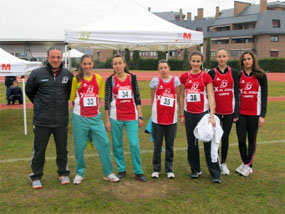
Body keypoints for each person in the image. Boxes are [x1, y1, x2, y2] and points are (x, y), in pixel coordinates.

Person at [25, 47, 74, 189]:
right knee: (39, 150)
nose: (55, 60)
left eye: (58, 57)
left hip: (60, 120)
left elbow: (70, 92)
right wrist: (40, 105)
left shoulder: (68, 74)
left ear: (62, 58)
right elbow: (29, 91)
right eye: (53, 57)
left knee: (62, 149)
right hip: (42, 120)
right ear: (47, 58)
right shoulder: (37, 73)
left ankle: (63, 173)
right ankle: (36, 176)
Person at [70, 54, 119, 184]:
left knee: (104, 143)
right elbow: (72, 100)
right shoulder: (76, 80)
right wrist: (79, 112)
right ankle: (80, 173)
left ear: (93, 64)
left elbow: (100, 98)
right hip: (79, 117)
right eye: (85, 64)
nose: (87, 66)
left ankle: (109, 172)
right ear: (81, 65)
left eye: (89, 64)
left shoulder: (98, 79)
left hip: (95, 117)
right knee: (79, 146)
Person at [179, 51, 221, 183]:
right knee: (192, 143)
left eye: (198, 61)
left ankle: (215, 173)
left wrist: (212, 115)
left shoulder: (206, 77)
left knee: (208, 141)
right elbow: (180, 96)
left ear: (201, 62)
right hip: (189, 113)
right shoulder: (184, 77)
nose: (196, 64)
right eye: (193, 61)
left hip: (203, 114)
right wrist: (181, 114)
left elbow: (211, 96)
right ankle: (195, 169)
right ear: (190, 62)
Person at [105, 54, 146, 182]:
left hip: (131, 116)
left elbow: (137, 98)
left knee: (134, 144)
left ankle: (138, 171)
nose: (118, 66)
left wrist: (140, 116)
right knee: (117, 145)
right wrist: (107, 120)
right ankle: (121, 169)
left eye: (120, 63)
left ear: (124, 64)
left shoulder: (132, 78)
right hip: (115, 116)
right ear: (113, 66)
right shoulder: (110, 80)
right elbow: (107, 101)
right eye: (115, 64)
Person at [235, 51, 268, 177]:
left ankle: (249, 165)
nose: (246, 61)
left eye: (249, 58)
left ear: (253, 60)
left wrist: (262, 115)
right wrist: (236, 113)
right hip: (241, 114)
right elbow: (236, 96)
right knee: (241, 140)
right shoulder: (239, 75)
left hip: (255, 114)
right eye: (244, 59)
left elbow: (264, 96)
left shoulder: (261, 76)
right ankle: (244, 162)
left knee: (251, 140)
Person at [208, 48, 240, 175]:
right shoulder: (211, 73)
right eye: (219, 56)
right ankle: (215, 161)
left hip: (228, 112)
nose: (221, 59)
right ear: (216, 58)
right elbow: (208, 93)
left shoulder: (234, 73)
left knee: (225, 138)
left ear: (228, 57)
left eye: (224, 56)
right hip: (215, 112)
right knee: (215, 137)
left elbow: (237, 94)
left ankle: (223, 163)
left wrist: (236, 112)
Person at [150, 60, 181, 179]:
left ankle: (169, 169)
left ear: (169, 68)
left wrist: (175, 110)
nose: (163, 70)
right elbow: (152, 98)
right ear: (158, 70)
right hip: (157, 118)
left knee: (170, 145)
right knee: (157, 144)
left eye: (165, 67)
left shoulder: (176, 81)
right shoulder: (155, 81)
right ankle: (156, 169)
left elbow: (177, 97)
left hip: (171, 119)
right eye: (161, 68)